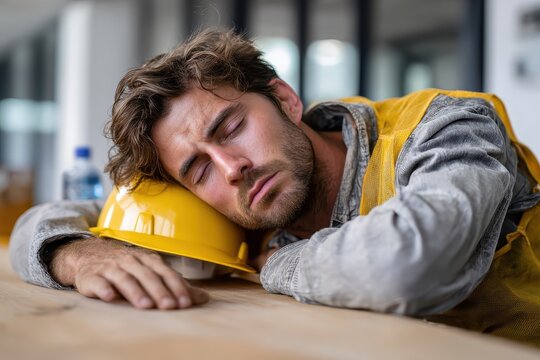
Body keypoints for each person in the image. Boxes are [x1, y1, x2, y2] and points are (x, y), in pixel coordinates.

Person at [9, 28, 540, 346]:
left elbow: (407, 266)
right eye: (197, 170)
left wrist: (283, 264)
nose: (230, 169)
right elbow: (60, 215)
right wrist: (75, 254)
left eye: (231, 127)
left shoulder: (447, 126)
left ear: (285, 99)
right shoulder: (237, 206)